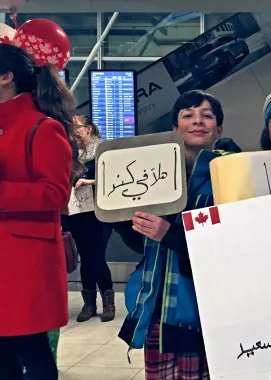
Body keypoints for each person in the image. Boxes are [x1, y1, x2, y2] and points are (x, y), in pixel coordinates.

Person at [115, 90, 241, 379]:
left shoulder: (232, 174)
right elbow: (140, 244)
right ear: (175, 128)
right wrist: (115, 213)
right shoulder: (150, 175)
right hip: (157, 303)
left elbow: (231, 242)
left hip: (205, 307)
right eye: (188, 115)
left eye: (207, 116)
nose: (198, 121)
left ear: (218, 129)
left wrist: (169, 234)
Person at [0, 43, 82, 379]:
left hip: (24, 261)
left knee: (31, 350)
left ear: (6, 77)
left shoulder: (42, 128)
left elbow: (55, 194)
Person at [62, 115, 115, 323]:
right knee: (85, 254)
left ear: (89, 129)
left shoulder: (103, 151)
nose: (74, 132)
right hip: (76, 211)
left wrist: (89, 181)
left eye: (78, 127)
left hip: (99, 210)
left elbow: (113, 177)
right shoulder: (70, 153)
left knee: (96, 255)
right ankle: (89, 303)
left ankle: (108, 301)